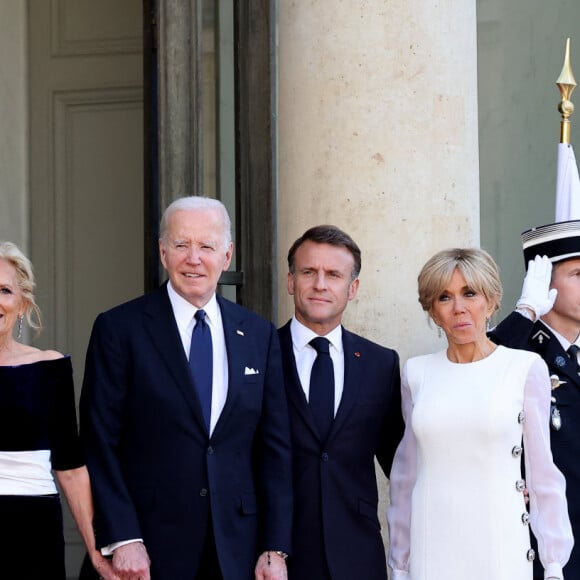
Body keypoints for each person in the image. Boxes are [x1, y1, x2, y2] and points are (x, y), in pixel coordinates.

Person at [80, 196, 293, 580]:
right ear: (163, 253)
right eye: (181, 245)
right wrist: (123, 537)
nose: (194, 258)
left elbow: (274, 449)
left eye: (207, 246)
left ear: (227, 255)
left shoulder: (258, 334)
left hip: (237, 551)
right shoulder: (119, 329)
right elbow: (99, 442)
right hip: (147, 549)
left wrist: (274, 547)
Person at [387, 247, 573, 580]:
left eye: (469, 293)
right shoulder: (416, 373)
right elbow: (405, 477)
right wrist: (400, 563)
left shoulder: (524, 368)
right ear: (432, 309)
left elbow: (543, 476)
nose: (459, 308)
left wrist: (553, 563)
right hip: (433, 547)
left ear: (491, 300)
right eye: (445, 297)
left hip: (500, 545)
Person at [278, 225, 404, 579]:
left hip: (357, 553)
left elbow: (403, 463)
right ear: (291, 281)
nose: (320, 284)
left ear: (353, 288)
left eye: (333, 274)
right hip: (277, 556)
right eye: (308, 272)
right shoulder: (259, 355)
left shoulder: (381, 364)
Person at [0, 241, 116, 580]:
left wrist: (97, 554)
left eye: (5, 290)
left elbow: (70, 468)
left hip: (32, 530)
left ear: (22, 303)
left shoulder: (49, 367)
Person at [489, 219, 580, 578]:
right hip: (539, 543)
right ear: (545, 283)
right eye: (576, 273)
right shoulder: (514, 346)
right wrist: (525, 312)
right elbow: (478, 376)